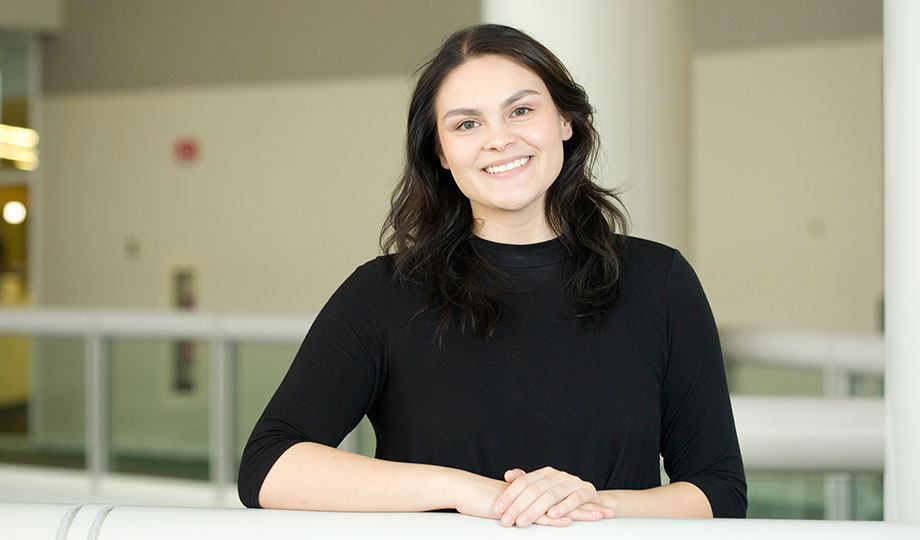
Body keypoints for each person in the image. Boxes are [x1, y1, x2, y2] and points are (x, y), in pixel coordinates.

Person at [238, 23, 746, 526]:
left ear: (566, 120)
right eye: (466, 124)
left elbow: (718, 489)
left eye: (521, 110)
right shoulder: (385, 292)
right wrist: (460, 489)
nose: (499, 140)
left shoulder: (658, 280)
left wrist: (595, 503)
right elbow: (269, 467)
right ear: (440, 151)